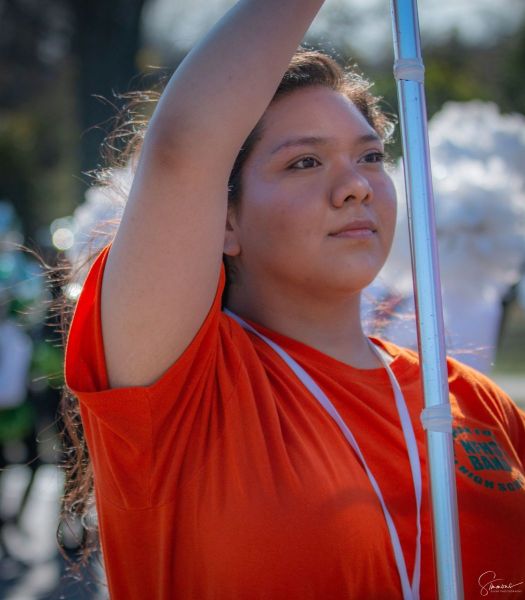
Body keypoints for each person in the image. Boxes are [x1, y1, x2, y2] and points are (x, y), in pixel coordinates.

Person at [63, 1, 525, 598]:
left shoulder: (474, 400)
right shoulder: (185, 389)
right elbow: (184, 144)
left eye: (371, 157)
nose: (356, 186)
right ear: (222, 220)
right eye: (305, 162)